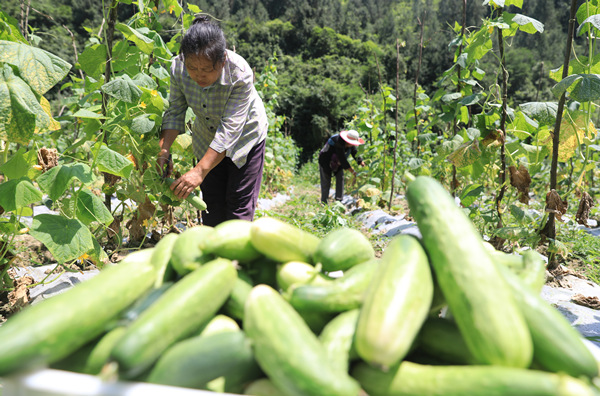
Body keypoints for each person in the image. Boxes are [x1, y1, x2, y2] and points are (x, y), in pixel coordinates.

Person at [157, 15, 268, 227]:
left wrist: (199, 171)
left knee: (238, 206)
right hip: (206, 137)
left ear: (223, 60)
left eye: (207, 69)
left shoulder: (240, 73)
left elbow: (230, 130)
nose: (199, 75)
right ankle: (214, 256)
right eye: (192, 68)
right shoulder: (178, 67)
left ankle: (236, 258)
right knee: (212, 205)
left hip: (245, 138)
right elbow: (175, 111)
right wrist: (164, 150)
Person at [318, 130, 366, 204]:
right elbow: (342, 159)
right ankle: (324, 202)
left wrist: (360, 162)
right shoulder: (338, 142)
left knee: (340, 178)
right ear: (347, 141)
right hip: (325, 161)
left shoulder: (350, 145)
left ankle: (339, 201)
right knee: (326, 181)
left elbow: (354, 152)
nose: (353, 145)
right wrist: (353, 171)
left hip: (337, 162)